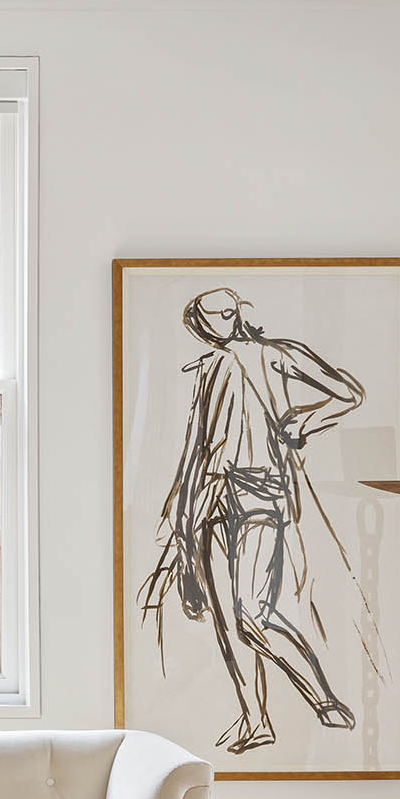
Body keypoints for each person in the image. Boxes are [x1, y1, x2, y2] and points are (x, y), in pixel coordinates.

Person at [138, 287, 365, 755]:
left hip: (260, 493)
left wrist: (302, 421)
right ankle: (256, 718)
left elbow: (347, 394)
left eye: (224, 312)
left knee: (251, 616)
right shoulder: (209, 368)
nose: (218, 322)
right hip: (208, 499)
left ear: (237, 313)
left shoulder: (277, 354)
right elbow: (194, 449)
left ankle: (324, 700)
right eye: (207, 317)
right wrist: (182, 525)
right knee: (226, 621)